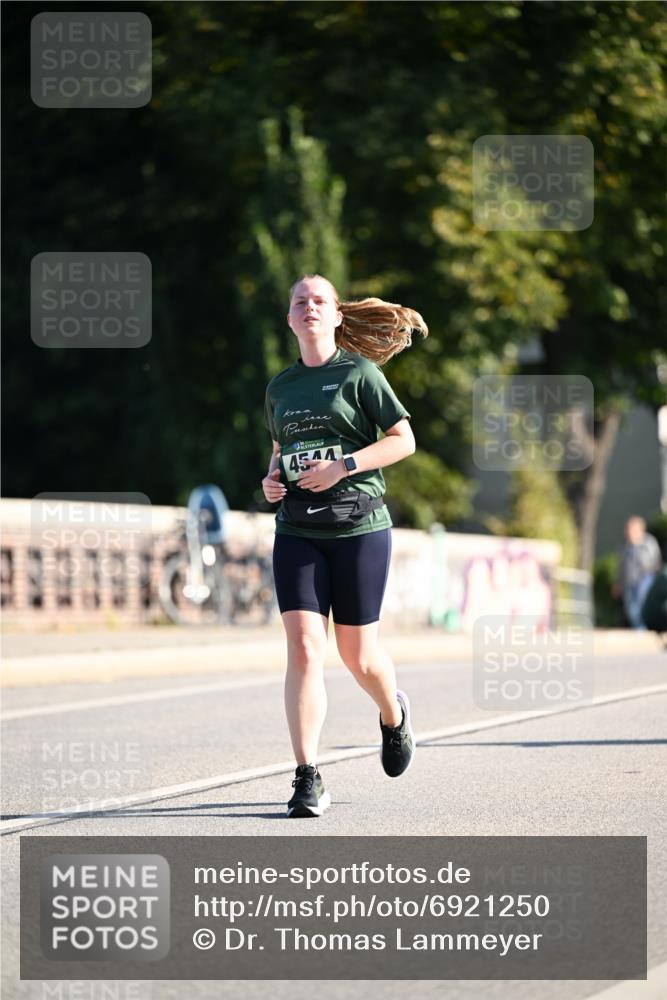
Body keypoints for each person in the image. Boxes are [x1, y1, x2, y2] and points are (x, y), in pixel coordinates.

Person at [262, 273, 428, 817]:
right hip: (297, 531)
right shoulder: (280, 388)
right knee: (306, 648)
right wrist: (270, 482)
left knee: (358, 656)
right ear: (290, 319)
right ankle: (307, 776)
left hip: (358, 527)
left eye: (318, 301)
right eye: (299, 302)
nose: (308, 308)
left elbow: (402, 440)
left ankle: (392, 713)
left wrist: (345, 466)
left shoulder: (359, 373)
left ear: (336, 315)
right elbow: (281, 451)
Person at [613, 516, 662, 629]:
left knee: (643, 606)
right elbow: (621, 566)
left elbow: (654, 561)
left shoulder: (648, 543)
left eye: (631, 529)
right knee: (631, 609)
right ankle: (641, 629)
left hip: (645, 580)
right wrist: (618, 582)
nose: (628, 532)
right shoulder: (625, 546)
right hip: (629, 582)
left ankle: (646, 628)